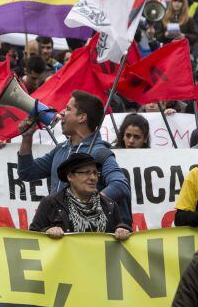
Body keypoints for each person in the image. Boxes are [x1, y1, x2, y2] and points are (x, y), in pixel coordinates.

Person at [17, 90, 132, 225]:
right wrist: (27, 138)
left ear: (82, 117)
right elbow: (27, 172)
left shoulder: (99, 152)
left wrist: (87, 206)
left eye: (68, 109)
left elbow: (120, 185)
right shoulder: (61, 150)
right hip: (56, 232)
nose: (61, 113)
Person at [30, 153, 131, 240]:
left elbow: (120, 229)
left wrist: (122, 229)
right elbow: (33, 235)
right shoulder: (51, 202)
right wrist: (46, 231)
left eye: (95, 173)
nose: (93, 178)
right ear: (70, 176)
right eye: (86, 173)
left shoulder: (109, 205)